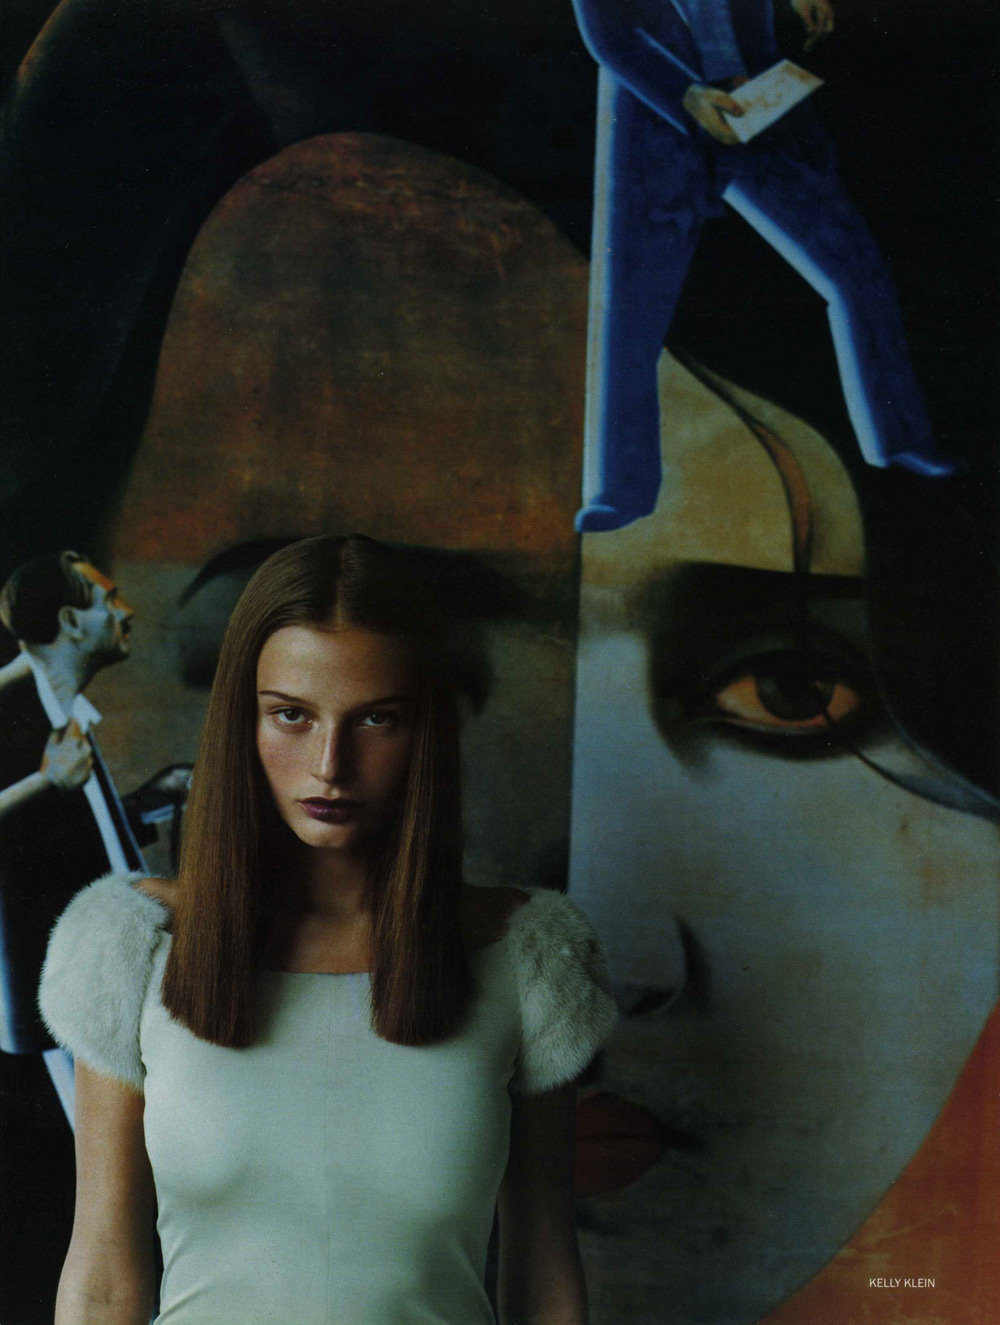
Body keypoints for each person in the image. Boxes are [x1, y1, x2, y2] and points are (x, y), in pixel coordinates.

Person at [38, 533, 619, 1325]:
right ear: (242, 721)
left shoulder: (529, 957)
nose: (329, 765)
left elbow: (544, 1277)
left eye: (377, 719)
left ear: (427, 728)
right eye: (292, 715)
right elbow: (104, 1277)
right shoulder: (127, 947)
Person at [570, 0, 958, 531]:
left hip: (763, 103)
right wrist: (685, 94)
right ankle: (619, 490)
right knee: (629, 312)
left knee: (857, 270)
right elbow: (609, 34)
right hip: (658, 121)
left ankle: (901, 439)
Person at [0, 550, 147, 1123]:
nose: (126, 611)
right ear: (69, 622)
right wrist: (45, 783)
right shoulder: (13, 714)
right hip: (64, 1002)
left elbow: (76, 838)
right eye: (109, 600)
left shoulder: (61, 708)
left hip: (107, 985)